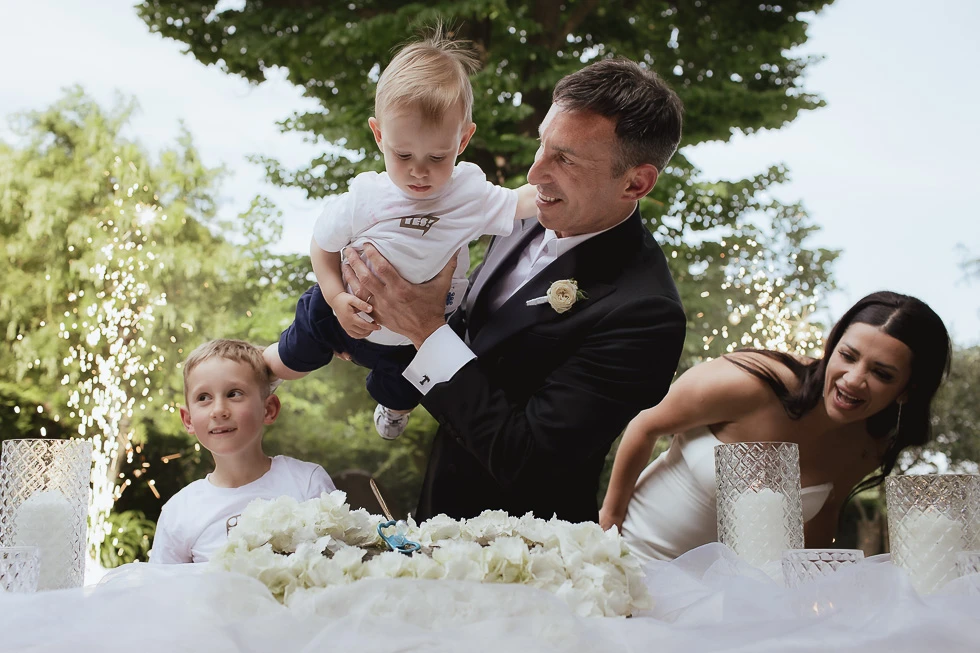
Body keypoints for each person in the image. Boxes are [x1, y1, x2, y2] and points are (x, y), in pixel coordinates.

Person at [341, 57, 687, 523]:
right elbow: (467, 330)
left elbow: (529, 458)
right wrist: (376, 326)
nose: (535, 172)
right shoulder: (524, 216)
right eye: (543, 144)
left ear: (636, 182)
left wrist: (424, 329)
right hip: (438, 517)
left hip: (530, 556)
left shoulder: (646, 312)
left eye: (565, 158)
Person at [264, 29, 536, 441]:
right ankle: (258, 370)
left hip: (415, 333)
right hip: (346, 309)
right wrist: (338, 299)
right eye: (403, 154)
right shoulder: (366, 196)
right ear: (379, 135)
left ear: (463, 139)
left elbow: (522, 202)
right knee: (297, 346)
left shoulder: (469, 193)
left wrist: (570, 183)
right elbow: (322, 247)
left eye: (437, 156)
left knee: (410, 385)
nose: (419, 170)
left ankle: (391, 410)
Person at [599, 291, 952, 563]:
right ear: (831, 347)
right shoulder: (751, 382)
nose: (853, 380)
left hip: (733, 599)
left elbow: (824, 515)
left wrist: (800, 593)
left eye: (882, 374)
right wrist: (609, 524)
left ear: (908, 389)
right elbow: (644, 426)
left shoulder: (870, 445)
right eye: (848, 356)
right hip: (635, 558)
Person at [150, 339, 336, 564]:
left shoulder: (306, 483)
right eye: (203, 398)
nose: (218, 411)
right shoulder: (179, 512)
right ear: (187, 420)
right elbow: (164, 591)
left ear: (269, 409)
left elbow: (339, 567)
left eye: (234, 393)